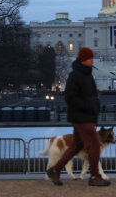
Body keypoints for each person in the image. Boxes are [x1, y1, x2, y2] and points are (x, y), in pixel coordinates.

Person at [46, 47, 110, 186]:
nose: (92, 60)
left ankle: (55, 170)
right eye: (90, 58)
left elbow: (93, 97)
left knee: (76, 146)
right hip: (81, 117)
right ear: (83, 60)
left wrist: (94, 115)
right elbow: (70, 97)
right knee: (94, 144)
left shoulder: (87, 75)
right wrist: (88, 107)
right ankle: (94, 176)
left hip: (86, 116)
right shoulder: (75, 75)